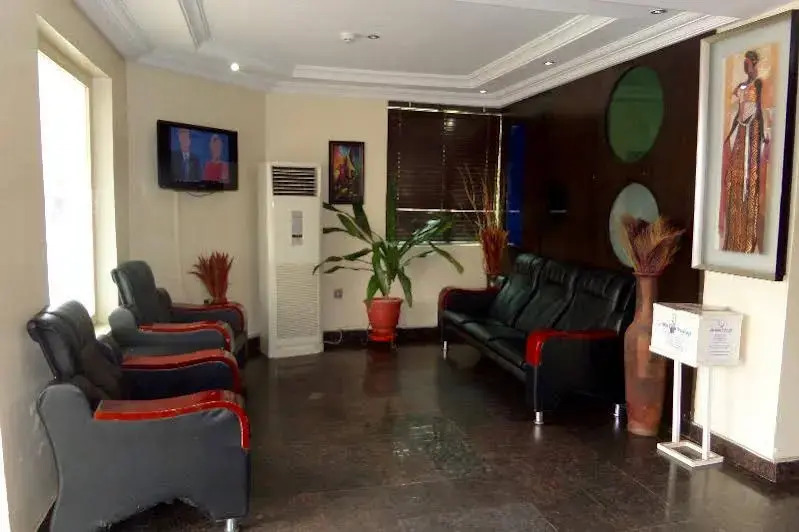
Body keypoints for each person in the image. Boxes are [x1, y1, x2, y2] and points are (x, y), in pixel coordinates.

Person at [719, 50, 770, 254]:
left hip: (753, 133)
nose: (745, 66)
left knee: (750, 181)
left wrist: (762, 135)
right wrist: (731, 132)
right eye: (744, 63)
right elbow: (738, 112)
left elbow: (758, 110)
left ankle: (747, 238)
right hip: (742, 133)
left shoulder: (757, 84)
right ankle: (733, 236)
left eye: (747, 63)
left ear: (753, 64)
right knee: (734, 178)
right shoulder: (741, 86)